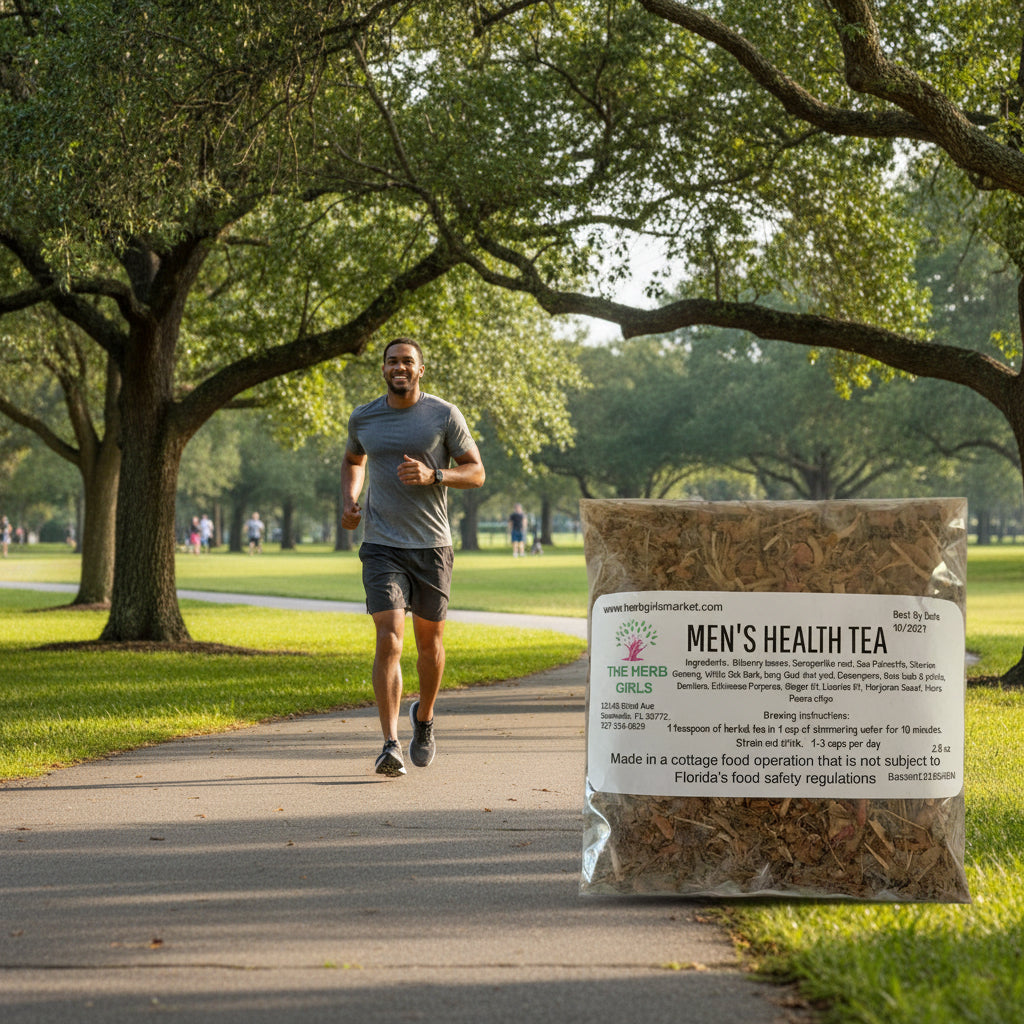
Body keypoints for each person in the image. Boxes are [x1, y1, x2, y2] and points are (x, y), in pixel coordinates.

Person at [341, 337, 485, 777]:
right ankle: (389, 744)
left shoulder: (443, 415)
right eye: (391, 361)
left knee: (430, 644)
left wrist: (435, 474)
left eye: (407, 361)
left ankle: (423, 719)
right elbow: (353, 459)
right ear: (383, 369)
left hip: (432, 545)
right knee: (389, 637)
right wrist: (350, 498)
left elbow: (476, 472)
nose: (399, 367)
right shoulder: (364, 416)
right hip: (382, 544)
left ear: (421, 369)